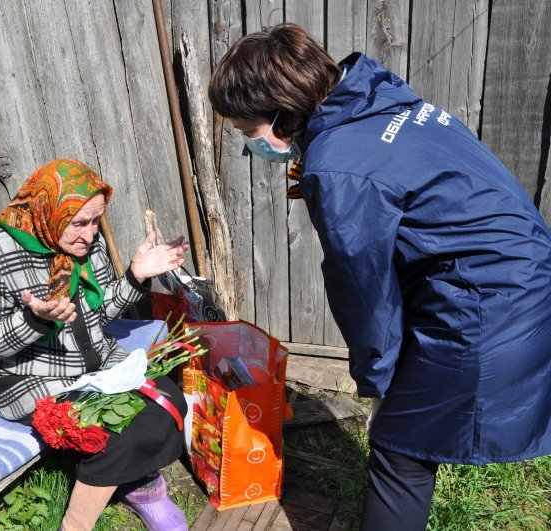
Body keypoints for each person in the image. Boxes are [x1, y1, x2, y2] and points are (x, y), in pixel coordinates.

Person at [208, 23, 551, 530]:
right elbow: (406, 180)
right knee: (410, 436)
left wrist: (376, 381)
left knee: (400, 448)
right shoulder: (383, 104)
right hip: (516, 272)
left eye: (247, 132)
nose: (249, 146)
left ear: (282, 114)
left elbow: (365, 292)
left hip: (488, 302)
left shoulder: (338, 166)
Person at [0, 158, 190, 531]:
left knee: (168, 398)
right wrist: (34, 321)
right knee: (114, 433)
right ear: (50, 210)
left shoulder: (87, 242)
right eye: (79, 222)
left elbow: (99, 315)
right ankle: (79, 522)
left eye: (96, 220)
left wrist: (135, 275)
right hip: (27, 376)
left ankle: (138, 486)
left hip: (91, 361)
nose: (90, 233)